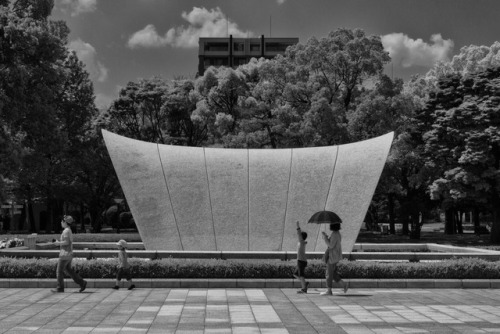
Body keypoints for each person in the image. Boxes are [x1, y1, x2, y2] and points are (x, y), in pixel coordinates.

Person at [52, 215, 87, 293]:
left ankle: (60, 287)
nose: (61, 222)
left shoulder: (66, 231)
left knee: (59, 271)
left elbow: (66, 242)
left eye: (62, 221)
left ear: (65, 222)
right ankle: (82, 282)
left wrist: (58, 243)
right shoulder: (69, 230)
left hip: (64, 254)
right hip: (69, 254)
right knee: (69, 270)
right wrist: (59, 242)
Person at [321, 222, 348, 295]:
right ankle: (344, 285)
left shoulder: (335, 234)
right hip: (334, 256)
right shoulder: (337, 233)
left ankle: (329, 290)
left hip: (332, 257)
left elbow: (330, 245)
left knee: (329, 274)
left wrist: (325, 238)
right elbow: (331, 243)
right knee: (333, 274)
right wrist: (326, 237)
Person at [294, 221, 309, 293]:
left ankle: (304, 289)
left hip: (301, 261)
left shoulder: (302, 242)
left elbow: (299, 234)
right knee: (295, 274)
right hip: (300, 260)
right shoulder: (301, 242)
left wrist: (297, 226)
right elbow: (299, 235)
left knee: (301, 275)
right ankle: (305, 284)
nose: (298, 236)